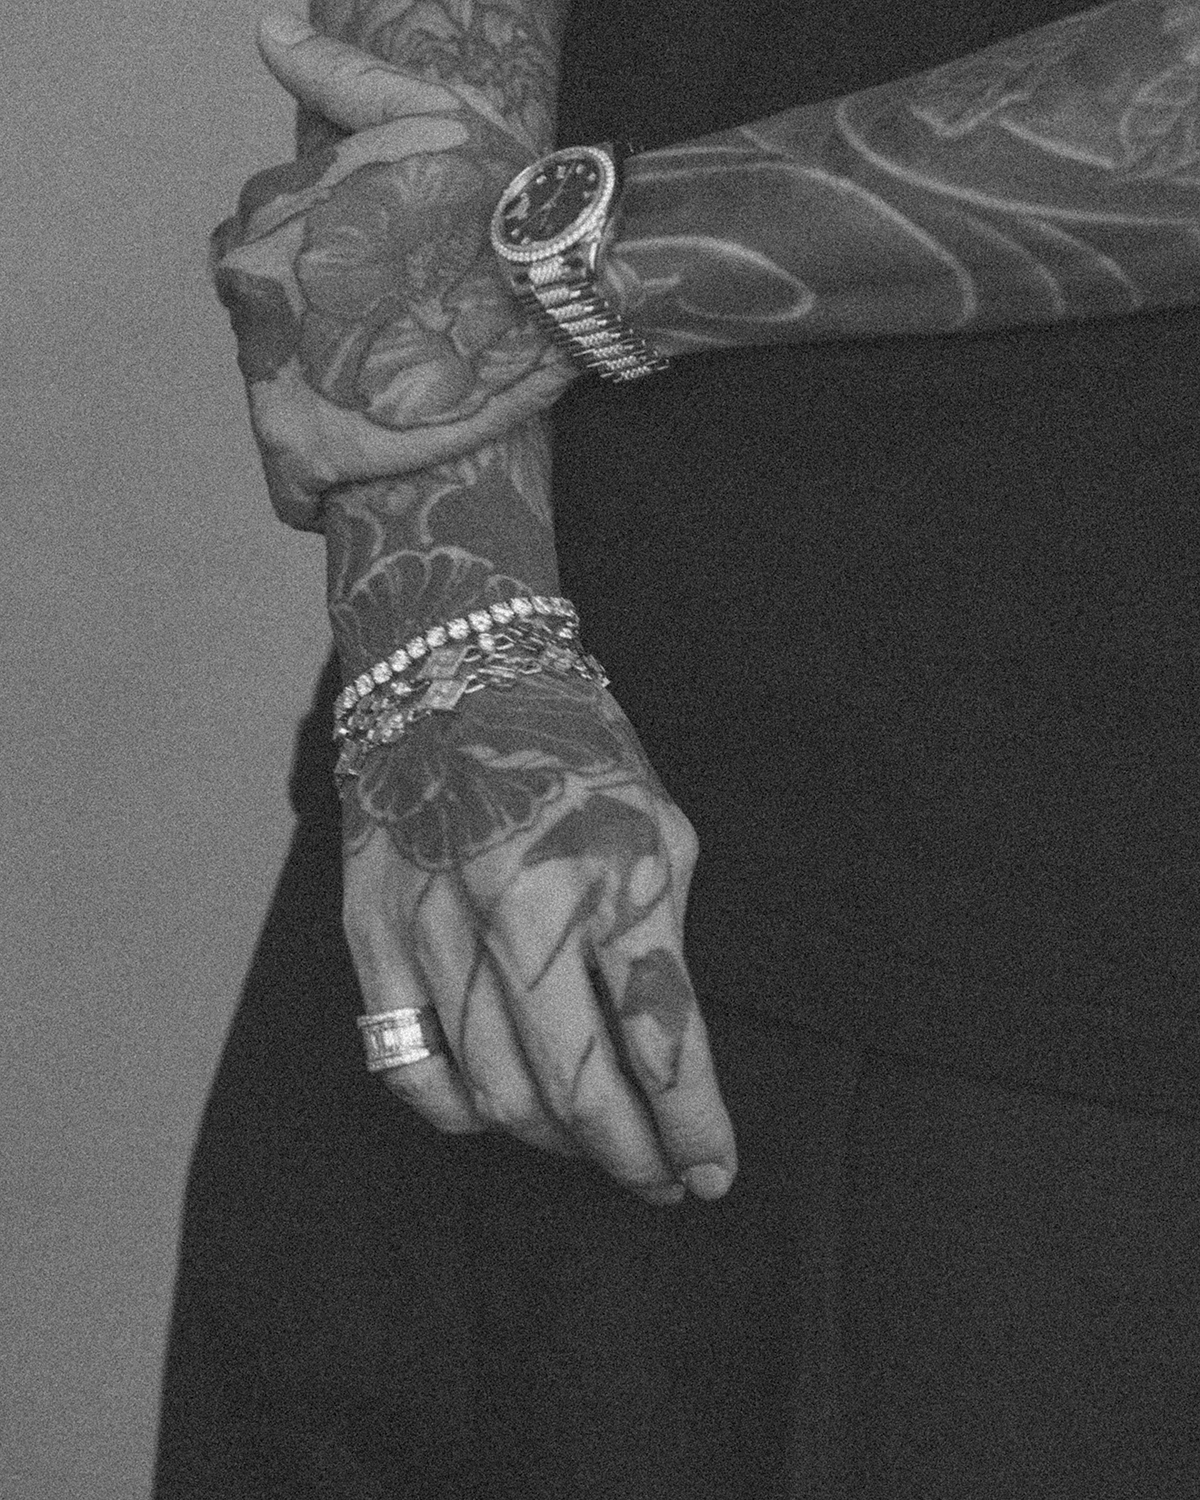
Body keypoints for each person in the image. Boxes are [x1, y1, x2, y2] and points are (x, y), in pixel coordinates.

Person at [155, 2, 1200, 1495]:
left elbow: (441, 249)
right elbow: (404, 166)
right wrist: (451, 629)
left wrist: (547, 256)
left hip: (1062, 982)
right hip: (487, 851)